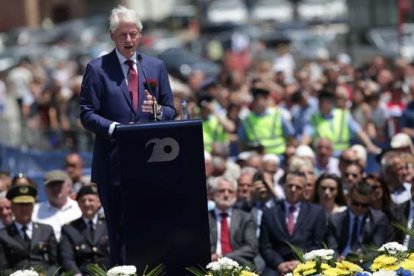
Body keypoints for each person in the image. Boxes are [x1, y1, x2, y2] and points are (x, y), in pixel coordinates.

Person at [79, 5, 175, 265]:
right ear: (112, 36)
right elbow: (86, 113)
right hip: (113, 164)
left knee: (150, 227)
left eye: (133, 34)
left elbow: (170, 109)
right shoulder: (97, 69)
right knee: (119, 232)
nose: (129, 40)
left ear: (140, 35)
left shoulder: (155, 66)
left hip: (150, 164)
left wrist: (158, 112)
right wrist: (113, 129)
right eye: (123, 35)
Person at [259, 172, 326, 276]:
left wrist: (302, 262)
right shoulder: (270, 212)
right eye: (290, 185)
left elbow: (317, 244)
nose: (293, 189)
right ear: (284, 186)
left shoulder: (316, 213)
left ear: (304, 190)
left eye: (298, 187)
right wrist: (279, 264)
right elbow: (265, 246)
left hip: (305, 265)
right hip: (276, 266)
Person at [0, 185, 58, 274]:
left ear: (33, 206)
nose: (24, 208)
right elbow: (3, 267)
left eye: (28, 204)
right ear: (12, 207)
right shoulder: (3, 235)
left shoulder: (46, 230)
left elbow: (55, 262)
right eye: (20, 204)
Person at [326, 182, 391, 259]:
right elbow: (332, 248)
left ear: (370, 202)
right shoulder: (335, 220)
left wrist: (361, 258)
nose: (359, 208)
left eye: (364, 205)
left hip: (364, 262)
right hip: (340, 263)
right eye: (355, 203)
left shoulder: (379, 219)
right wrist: (336, 259)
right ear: (348, 198)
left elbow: (376, 248)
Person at [59, 185, 109, 275]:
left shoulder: (108, 225)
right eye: (82, 201)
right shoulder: (69, 229)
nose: (87, 204)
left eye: (91, 200)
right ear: (78, 204)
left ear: (99, 203)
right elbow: (67, 258)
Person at [208, 177, 258, 266]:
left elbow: (251, 247)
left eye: (230, 191)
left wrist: (224, 257)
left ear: (235, 195)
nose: (226, 195)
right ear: (212, 194)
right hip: (210, 264)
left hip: (238, 264)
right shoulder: (206, 218)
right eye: (222, 191)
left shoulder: (246, 217)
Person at [32, 170, 81, 241]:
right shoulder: (35, 211)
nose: (55, 188)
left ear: (69, 187)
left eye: (59, 185)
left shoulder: (79, 208)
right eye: (51, 185)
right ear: (45, 189)